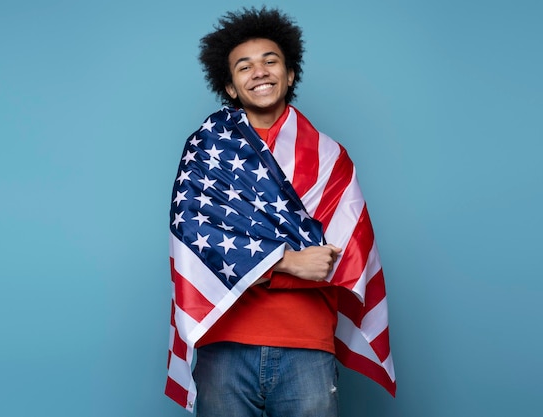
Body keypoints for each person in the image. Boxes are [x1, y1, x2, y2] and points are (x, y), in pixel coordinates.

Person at [165, 7, 396, 416]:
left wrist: (261, 259)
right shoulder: (207, 151)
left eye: (270, 61)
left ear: (290, 74)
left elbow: (334, 258)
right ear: (231, 87)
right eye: (244, 66)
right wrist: (286, 261)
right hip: (226, 341)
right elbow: (198, 237)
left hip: (306, 345)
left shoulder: (329, 157)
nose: (259, 71)